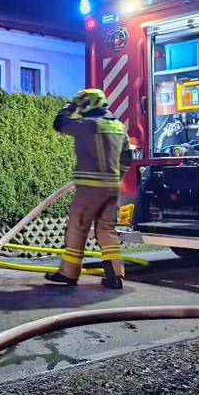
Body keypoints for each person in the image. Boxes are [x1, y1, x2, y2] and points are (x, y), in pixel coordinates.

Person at [45, 88, 131, 289]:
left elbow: (59, 123)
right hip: (112, 187)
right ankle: (115, 276)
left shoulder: (86, 125)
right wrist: (116, 175)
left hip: (90, 188)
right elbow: (128, 157)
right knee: (106, 230)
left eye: (82, 105)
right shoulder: (119, 127)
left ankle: (68, 274)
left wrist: (70, 105)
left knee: (77, 227)